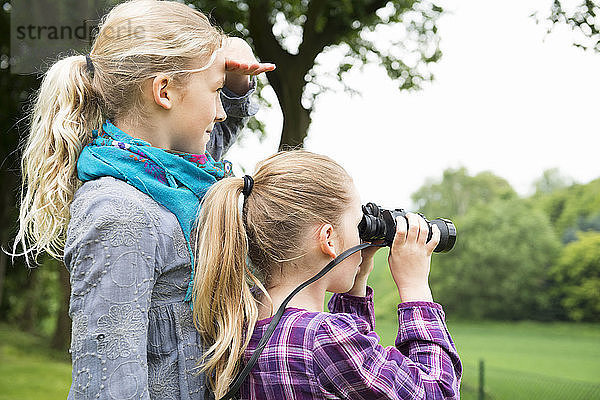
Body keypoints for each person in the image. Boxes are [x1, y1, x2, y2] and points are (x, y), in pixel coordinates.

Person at [13, 0, 275, 398]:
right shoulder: (120, 212)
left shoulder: (172, 178)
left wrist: (235, 84)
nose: (221, 112)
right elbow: (107, 383)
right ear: (164, 92)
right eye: (216, 92)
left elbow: (214, 135)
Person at [192, 150, 463, 399]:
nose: (362, 237)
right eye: (359, 226)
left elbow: (355, 382)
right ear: (329, 239)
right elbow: (436, 392)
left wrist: (357, 281)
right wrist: (415, 289)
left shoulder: (239, 319)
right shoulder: (325, 338)